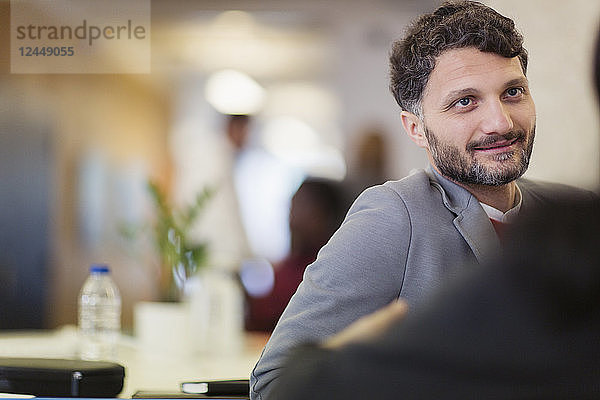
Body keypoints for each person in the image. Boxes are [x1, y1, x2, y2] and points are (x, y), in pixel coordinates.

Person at [249, 2, 597, 399]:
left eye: (512, 92)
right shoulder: (393, 217)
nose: (500, 122)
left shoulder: (572, 216)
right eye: (465, 101)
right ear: (416, 128)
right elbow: (275, 385)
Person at [244, 178, 347, 332]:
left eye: (299, 207)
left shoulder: (327, 266)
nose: (291, 220)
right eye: (291, 208)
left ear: (323, 214)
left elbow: (275, 313)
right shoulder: (292, 263)